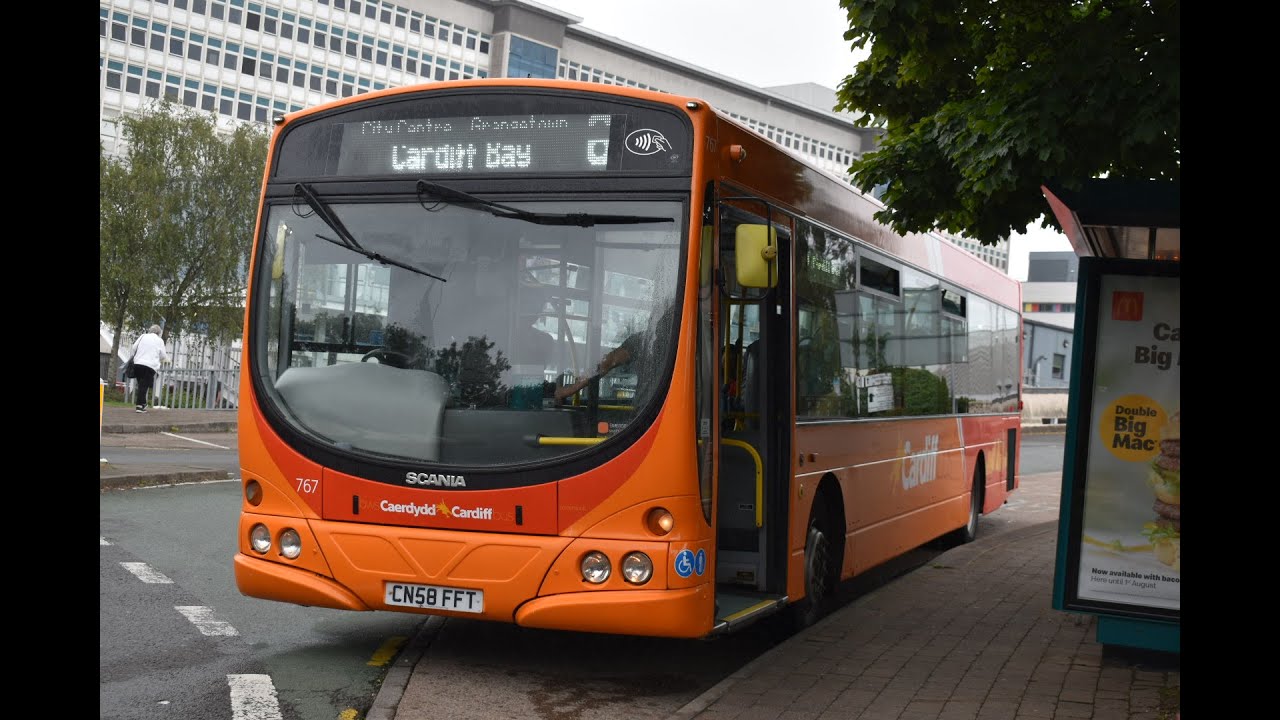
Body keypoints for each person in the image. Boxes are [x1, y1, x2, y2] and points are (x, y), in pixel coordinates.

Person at [129, 324, 170, 413]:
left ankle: (143, 404)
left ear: (150, 330)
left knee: (141, 385)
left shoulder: (143, 336)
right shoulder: (160, 341)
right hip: (150, 365)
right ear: (159, 333)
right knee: (144, 385)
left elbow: (134, 347)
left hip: (138, 363)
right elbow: (163, 355)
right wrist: (158, 358)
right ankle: (140, 406)